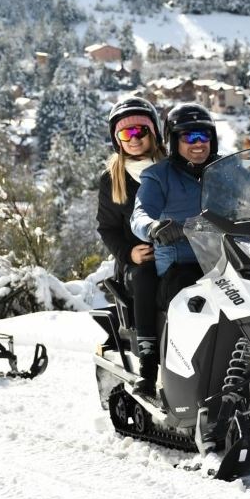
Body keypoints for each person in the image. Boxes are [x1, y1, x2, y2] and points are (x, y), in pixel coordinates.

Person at [130, 102, 221, 349]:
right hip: (182, 264)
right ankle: (185, 364)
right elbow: (138, 215)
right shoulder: (159, 176)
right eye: (189, 137)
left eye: (204, 135)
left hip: (228, 261)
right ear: (174, 141)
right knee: (190, 293)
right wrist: (154, 227)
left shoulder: (225, 170)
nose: (198, 143)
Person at [95, 97, 165, 393]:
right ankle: (149, 363)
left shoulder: (171, 169)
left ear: (154, 134)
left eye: (140, 131)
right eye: (126, 134)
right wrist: (129, 254)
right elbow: (108, 228)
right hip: (140, 262)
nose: (134, 139)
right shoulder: (113, 179)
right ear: (117, 140)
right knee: (146, 278)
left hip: (183, 253)